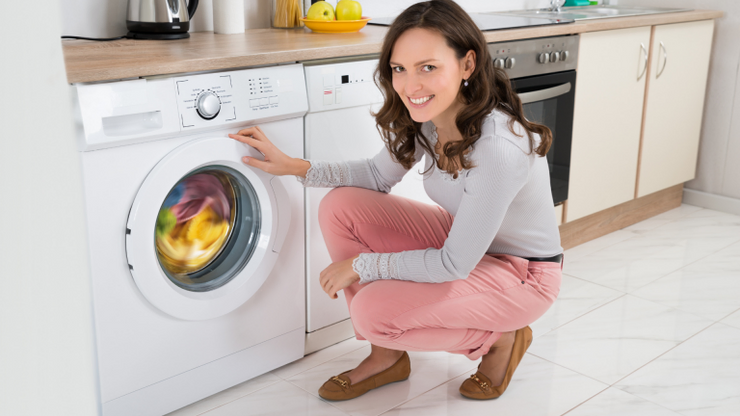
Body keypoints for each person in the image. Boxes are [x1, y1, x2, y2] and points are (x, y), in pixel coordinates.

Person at [229, 0, 562, 402]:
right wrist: (294, 166)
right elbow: (374, 176)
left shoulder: (498, 147)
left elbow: (453, 263)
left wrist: (361, 265)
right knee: (342, 206)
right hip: (469, 244)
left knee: (373, 309)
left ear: (468, 65)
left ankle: (500, 338)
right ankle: (386, 356)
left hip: (523, 274)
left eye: (428, 67)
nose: (410, 86)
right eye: (399, 69)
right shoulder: (429, 118)